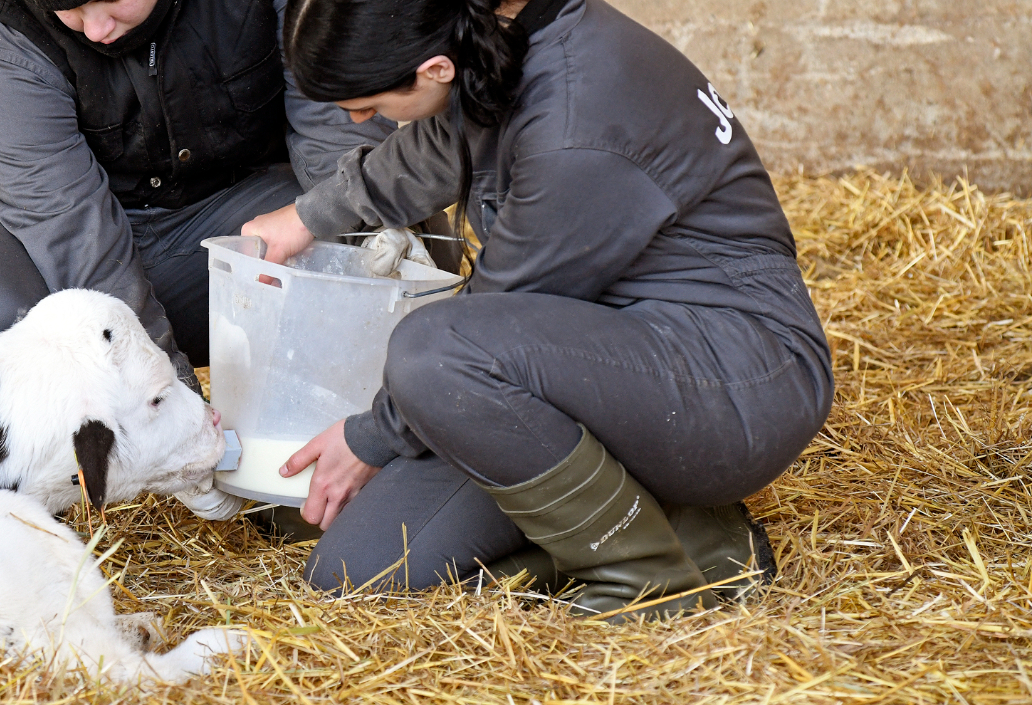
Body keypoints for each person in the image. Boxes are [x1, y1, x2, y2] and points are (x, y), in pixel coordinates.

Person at [242, 0, 834, 620]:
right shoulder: (498, 40)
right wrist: (306, 217)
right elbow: (438, 149)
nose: (360, 119)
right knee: (354, 569)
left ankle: (649, 575)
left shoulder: (575, 120)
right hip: (596, 365)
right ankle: (688, 535)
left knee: (431, 349)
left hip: (729, 381)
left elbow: (488, 321)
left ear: (435, 70)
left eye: (370, 107)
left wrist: (370, 437)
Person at [0, 0, 395, 387]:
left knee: (366, 240)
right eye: (67, 7)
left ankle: (297, 485)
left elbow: (338, 133)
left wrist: (350, 224)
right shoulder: (2, 28)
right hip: (32, 240)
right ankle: (15, 496)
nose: (95, 28)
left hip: (219, 213)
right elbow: (66, 222)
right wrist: (172, 404)